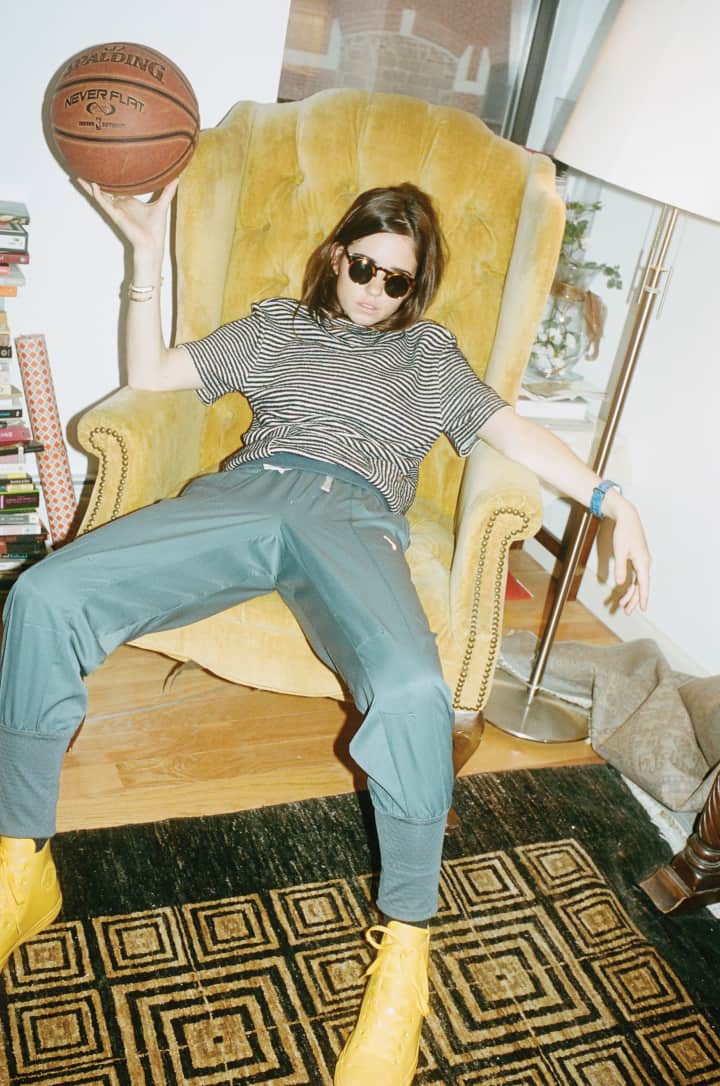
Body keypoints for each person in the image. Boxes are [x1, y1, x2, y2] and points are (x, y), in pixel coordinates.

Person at [0, 178, 650, 1085]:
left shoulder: (429, 356)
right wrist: (145, 256)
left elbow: (512, 431)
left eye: (397, 281)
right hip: (249, 491)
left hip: (353, 518)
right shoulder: (280, 326)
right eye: (364, 267)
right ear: (337, 255)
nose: (375, 291)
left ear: (415, 289)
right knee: (44, 595)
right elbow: (150, 375)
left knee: (415, 689)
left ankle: (406, 958)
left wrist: (611, 499)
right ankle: (22, 863)